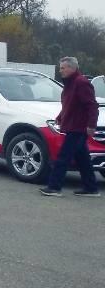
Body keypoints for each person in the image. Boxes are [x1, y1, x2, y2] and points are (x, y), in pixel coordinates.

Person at [41, 56, 100, 197]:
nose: (60, 71)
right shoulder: (70, 83)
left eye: (63, 68)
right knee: (83, 159)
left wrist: (91, 125)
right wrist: (60, 117)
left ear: (72, 68)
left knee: (63, 158)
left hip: (78, 128)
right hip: (73, 126)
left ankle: (54, 188)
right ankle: (91, 188)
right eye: (60, 68)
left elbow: (92, 106)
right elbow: (70, 105)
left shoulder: (81, 83)